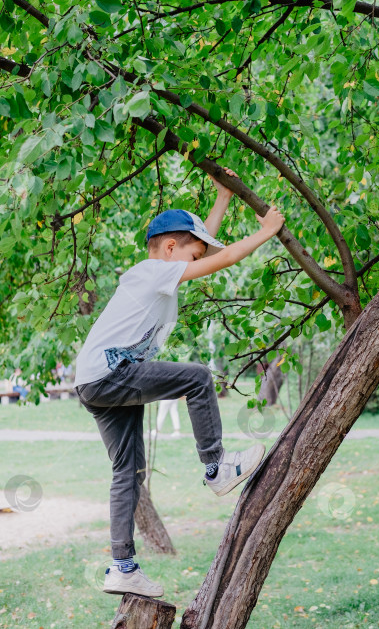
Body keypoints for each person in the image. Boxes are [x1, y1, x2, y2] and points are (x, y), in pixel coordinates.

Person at [73, 166, 285, 598]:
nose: (197, 264)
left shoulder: (160, 272)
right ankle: (216, 467)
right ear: (169, 248)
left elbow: (204, 244)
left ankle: (122, 566)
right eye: (190, 256)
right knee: (197, 378)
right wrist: (267, 231)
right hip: (111, 372)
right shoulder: (152, 271)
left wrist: (224, 196)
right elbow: (219, 258)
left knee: (127, 472)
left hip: (93, 382)